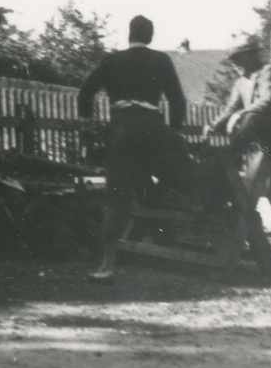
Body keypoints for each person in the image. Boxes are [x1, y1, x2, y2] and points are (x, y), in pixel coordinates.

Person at [78, 15, 195, 282]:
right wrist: (173, 131)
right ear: (151, 37)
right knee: (174, 175)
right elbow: (178, 100)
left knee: (116, 196)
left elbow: (85, 92)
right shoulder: (162, 60)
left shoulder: (112, 60)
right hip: (154, 131)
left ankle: (107, 265)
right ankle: (189, 218)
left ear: (129, 35)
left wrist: (86, 124)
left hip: (122, 132)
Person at [204, 36, 271, 254]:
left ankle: (229, 154)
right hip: (264, 135)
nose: (235, 64)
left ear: (252, 55)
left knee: (252, 118)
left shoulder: (270, 72)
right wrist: (214, 126)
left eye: (239, 58)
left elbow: (268, 102)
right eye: (232, 60)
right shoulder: (241, 83)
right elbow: (230, 109)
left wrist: (241, 114)